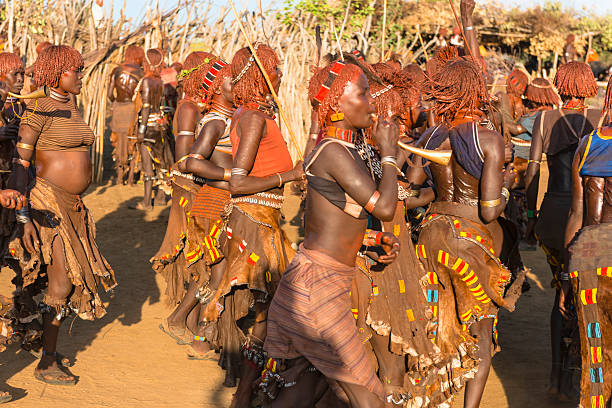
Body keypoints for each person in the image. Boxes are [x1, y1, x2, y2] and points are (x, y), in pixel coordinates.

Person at [264, 60, 401, 407]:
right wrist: (388, 154)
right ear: (338, 102)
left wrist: (371, 241)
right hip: (316, 290)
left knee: (303, 392)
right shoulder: (333, 151)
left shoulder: (349, 150)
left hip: (323, 283)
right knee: (370, 397)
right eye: (365, 93)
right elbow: (384, 208)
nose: (372, 102)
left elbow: (339, 218)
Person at [415, 58, 524, 408]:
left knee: (436, 326)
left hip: (430, 236)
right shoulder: (488, 139)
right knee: (481, 336)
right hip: (469, 242)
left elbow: (415, 184)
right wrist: (506, 186)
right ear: (476, 91)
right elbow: (490, 210)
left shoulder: (430, 134)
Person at [8, 45, 117, 385]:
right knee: (62, 281)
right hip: (46, 202)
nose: (83, 75)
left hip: (73, 205)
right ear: (58, 72)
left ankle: (37, 337)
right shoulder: (37, 107)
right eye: (78, 70)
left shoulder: (71, 102)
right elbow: (20, 163)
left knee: (61, 281)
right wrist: (24, 215)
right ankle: (47, 361)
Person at [204, 43, 303, 405]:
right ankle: (244, 394)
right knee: (264, 313)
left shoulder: (256, 114)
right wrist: (288, 175)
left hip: (263, 220)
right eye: (274, 69)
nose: (279, 75)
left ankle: (246, 388)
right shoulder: (252, 117)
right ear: (259, 76)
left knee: (265, 312)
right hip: (254, 221)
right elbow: (239, 182)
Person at [525, 61, 601, 398]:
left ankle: (557, 379)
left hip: (556, 217)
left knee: (561, 291)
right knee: (591, 294)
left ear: (559, 85)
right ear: (589, 87)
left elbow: (532, 172)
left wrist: (529, 212)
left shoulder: (543, 118)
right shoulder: (600, 120)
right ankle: (585, 370)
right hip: (592, 217)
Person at [151, 51, 217, 347]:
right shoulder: (189, 108)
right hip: (190, 189)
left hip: (196, 187)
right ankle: (180, 320)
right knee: (201, 255)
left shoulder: (200, 107)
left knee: (200, 257)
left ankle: (189, 325)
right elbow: (183, 158)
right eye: (212, 72)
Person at [179, 57, 235, 360]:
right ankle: (200, 339)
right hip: (215, 203)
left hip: (220, 201)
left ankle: (195, 330)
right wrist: (229, 176)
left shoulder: (230, 118)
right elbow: (192, 161)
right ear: (215, 87)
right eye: (231, 81)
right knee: (217, 276)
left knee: (217, 274)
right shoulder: (215, 121)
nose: (237, 86)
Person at [562, 76, 612, 408]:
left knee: (596, 355)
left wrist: (566, 279)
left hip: (591, 258)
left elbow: (576, 215)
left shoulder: (588, 142)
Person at [133, 48, 174, 210]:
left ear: (147, 62)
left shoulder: (147, 81)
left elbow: (146, 107)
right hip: (160, 125)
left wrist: (141, 130)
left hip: (149, 127)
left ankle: (146, 202)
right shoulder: (160, 81)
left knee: (148, 163)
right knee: (162, 161)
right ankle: (161, 198)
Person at [107, 44, 144, 185]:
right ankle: (130, 179)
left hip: (118, 108)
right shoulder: (141, 73)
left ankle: (118, 177)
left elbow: (110, 94)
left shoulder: (117, 70)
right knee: (132, 141)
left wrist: (116, 103)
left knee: (118, 141)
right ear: (138, 56)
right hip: (132, 110)